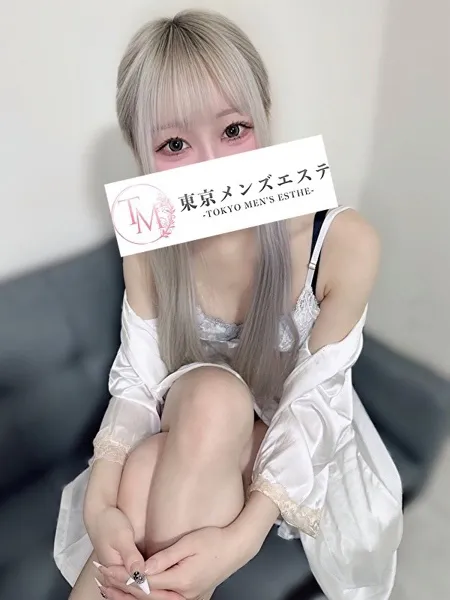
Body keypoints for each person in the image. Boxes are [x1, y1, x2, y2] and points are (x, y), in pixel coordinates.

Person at [54, 9, 403, 600]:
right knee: (202, 408)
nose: (214, 165)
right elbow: (139, 380)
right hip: (193, 426)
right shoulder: (150, 238)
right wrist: (99, 503)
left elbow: (314, 406)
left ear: (264, 116)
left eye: (235, 130)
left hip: (294, 450)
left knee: (173, 445)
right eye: (174, 144)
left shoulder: (343, 244)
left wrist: (240, 540)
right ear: (141, 152)